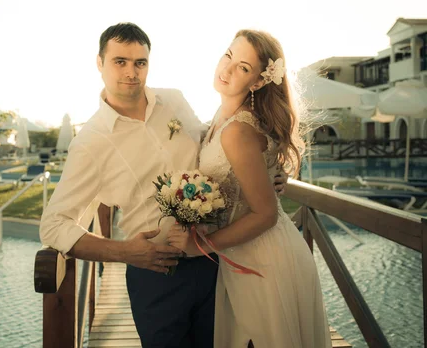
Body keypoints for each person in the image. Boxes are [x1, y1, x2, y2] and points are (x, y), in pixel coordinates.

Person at [39, 23, 286, 347]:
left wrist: (268, 172)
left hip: (217, 262)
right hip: (156, 272)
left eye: (140, 62)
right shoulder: (90, 142)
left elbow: (213, 146)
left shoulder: (174, 101)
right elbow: (53, 225)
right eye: (120, 61)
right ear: (99, 63)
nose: (131, 72)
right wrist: (124, 252)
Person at [168, 29, 331, 347]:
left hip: (264, 258)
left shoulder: (237, 130)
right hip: (241, 254)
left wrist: (200, 245)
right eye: (228, 55)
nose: (226, 69)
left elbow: (266, 214)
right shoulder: (222, 116)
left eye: (242, 67)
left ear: (258, 81)